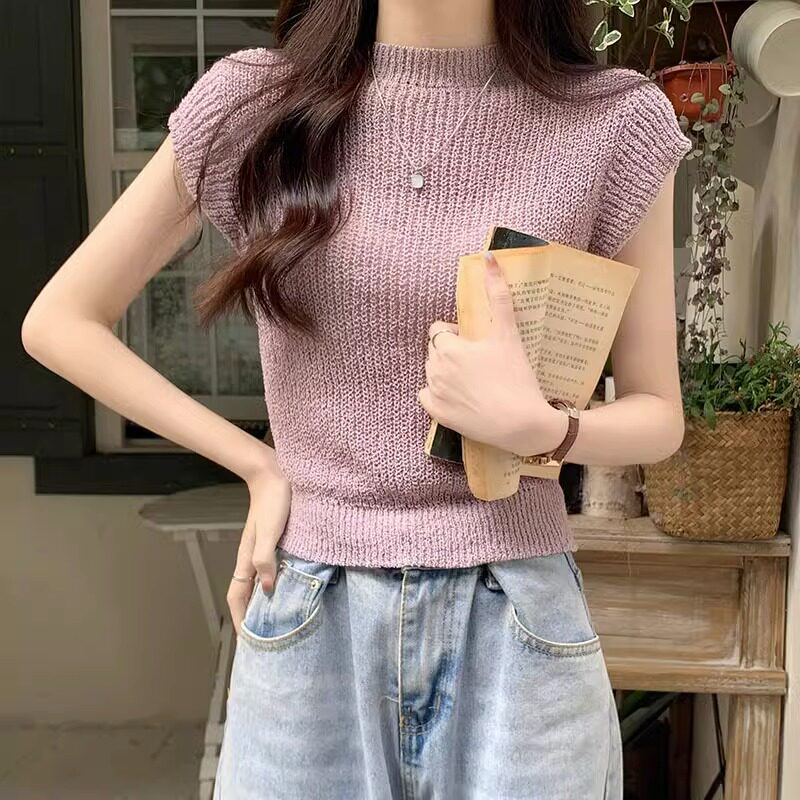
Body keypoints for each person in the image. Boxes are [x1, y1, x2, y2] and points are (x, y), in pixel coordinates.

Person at [21, 0, 691, 797]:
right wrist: (261, 465)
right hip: (312, 612)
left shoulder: (613, 121)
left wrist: (542, 428)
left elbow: (658, 416)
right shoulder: (253, 104)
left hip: (517, 616)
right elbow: (60, 321)